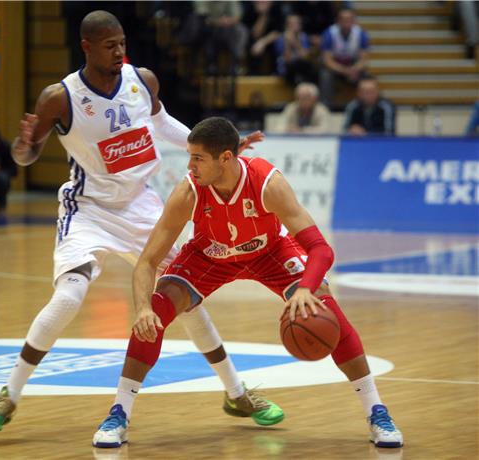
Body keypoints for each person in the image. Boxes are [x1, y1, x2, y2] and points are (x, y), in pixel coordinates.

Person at [0, 10, 283, 435]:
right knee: (69, 297)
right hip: (89, 208)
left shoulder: (143, 80)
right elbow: (26, 156)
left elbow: (163, 125)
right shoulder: (59, 97)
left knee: (186, 295)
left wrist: (221, 142)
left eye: (122, 42)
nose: (120, 51)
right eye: (109, 45)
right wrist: (23, 146)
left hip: (141, 205)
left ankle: (237, 394)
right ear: (86, 47)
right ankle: (8, 396)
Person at [93, 117, 404, 450]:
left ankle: (377, 411)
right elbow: (147, 263)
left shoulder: (267, 183)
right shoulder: (188, 192)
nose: (190, 165)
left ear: (225, 158)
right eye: (190, 156)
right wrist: (142, 308)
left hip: (269, 253)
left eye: (197, 158)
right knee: (155, 313)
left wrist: (305, 288)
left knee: (326, 309)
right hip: (208, 255)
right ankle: (118, 413)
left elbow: (321, 249)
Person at [319, 8, 369, 109]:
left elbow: (364, 59)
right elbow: (327, 60)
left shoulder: (361, 33)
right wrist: (344, 70)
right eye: (344, 19)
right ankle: (326, 106)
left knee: (367, 78)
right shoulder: (329, 33)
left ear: (354, 20)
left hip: (352, 65)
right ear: (338, 21)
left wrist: (355, 68)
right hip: (335, 66)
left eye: (350, 19)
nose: (347, 22)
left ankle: (364, 106)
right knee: (325, 75)